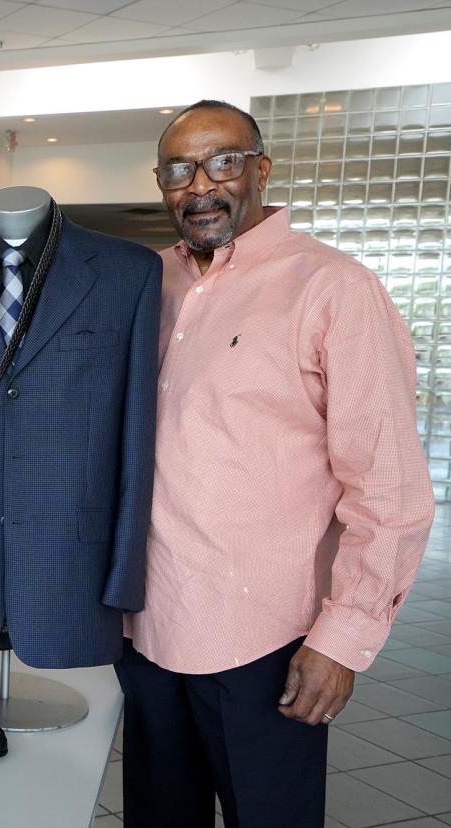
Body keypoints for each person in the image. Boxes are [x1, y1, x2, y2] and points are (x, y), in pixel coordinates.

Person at [116, 99, 434, 827]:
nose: (200, 185)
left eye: (222, 161)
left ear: (260, 169)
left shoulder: (334, 290)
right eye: (177, 169)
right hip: (147, 627)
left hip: (266, 641)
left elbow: (388, 492)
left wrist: (342, 641)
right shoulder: (142, 284)